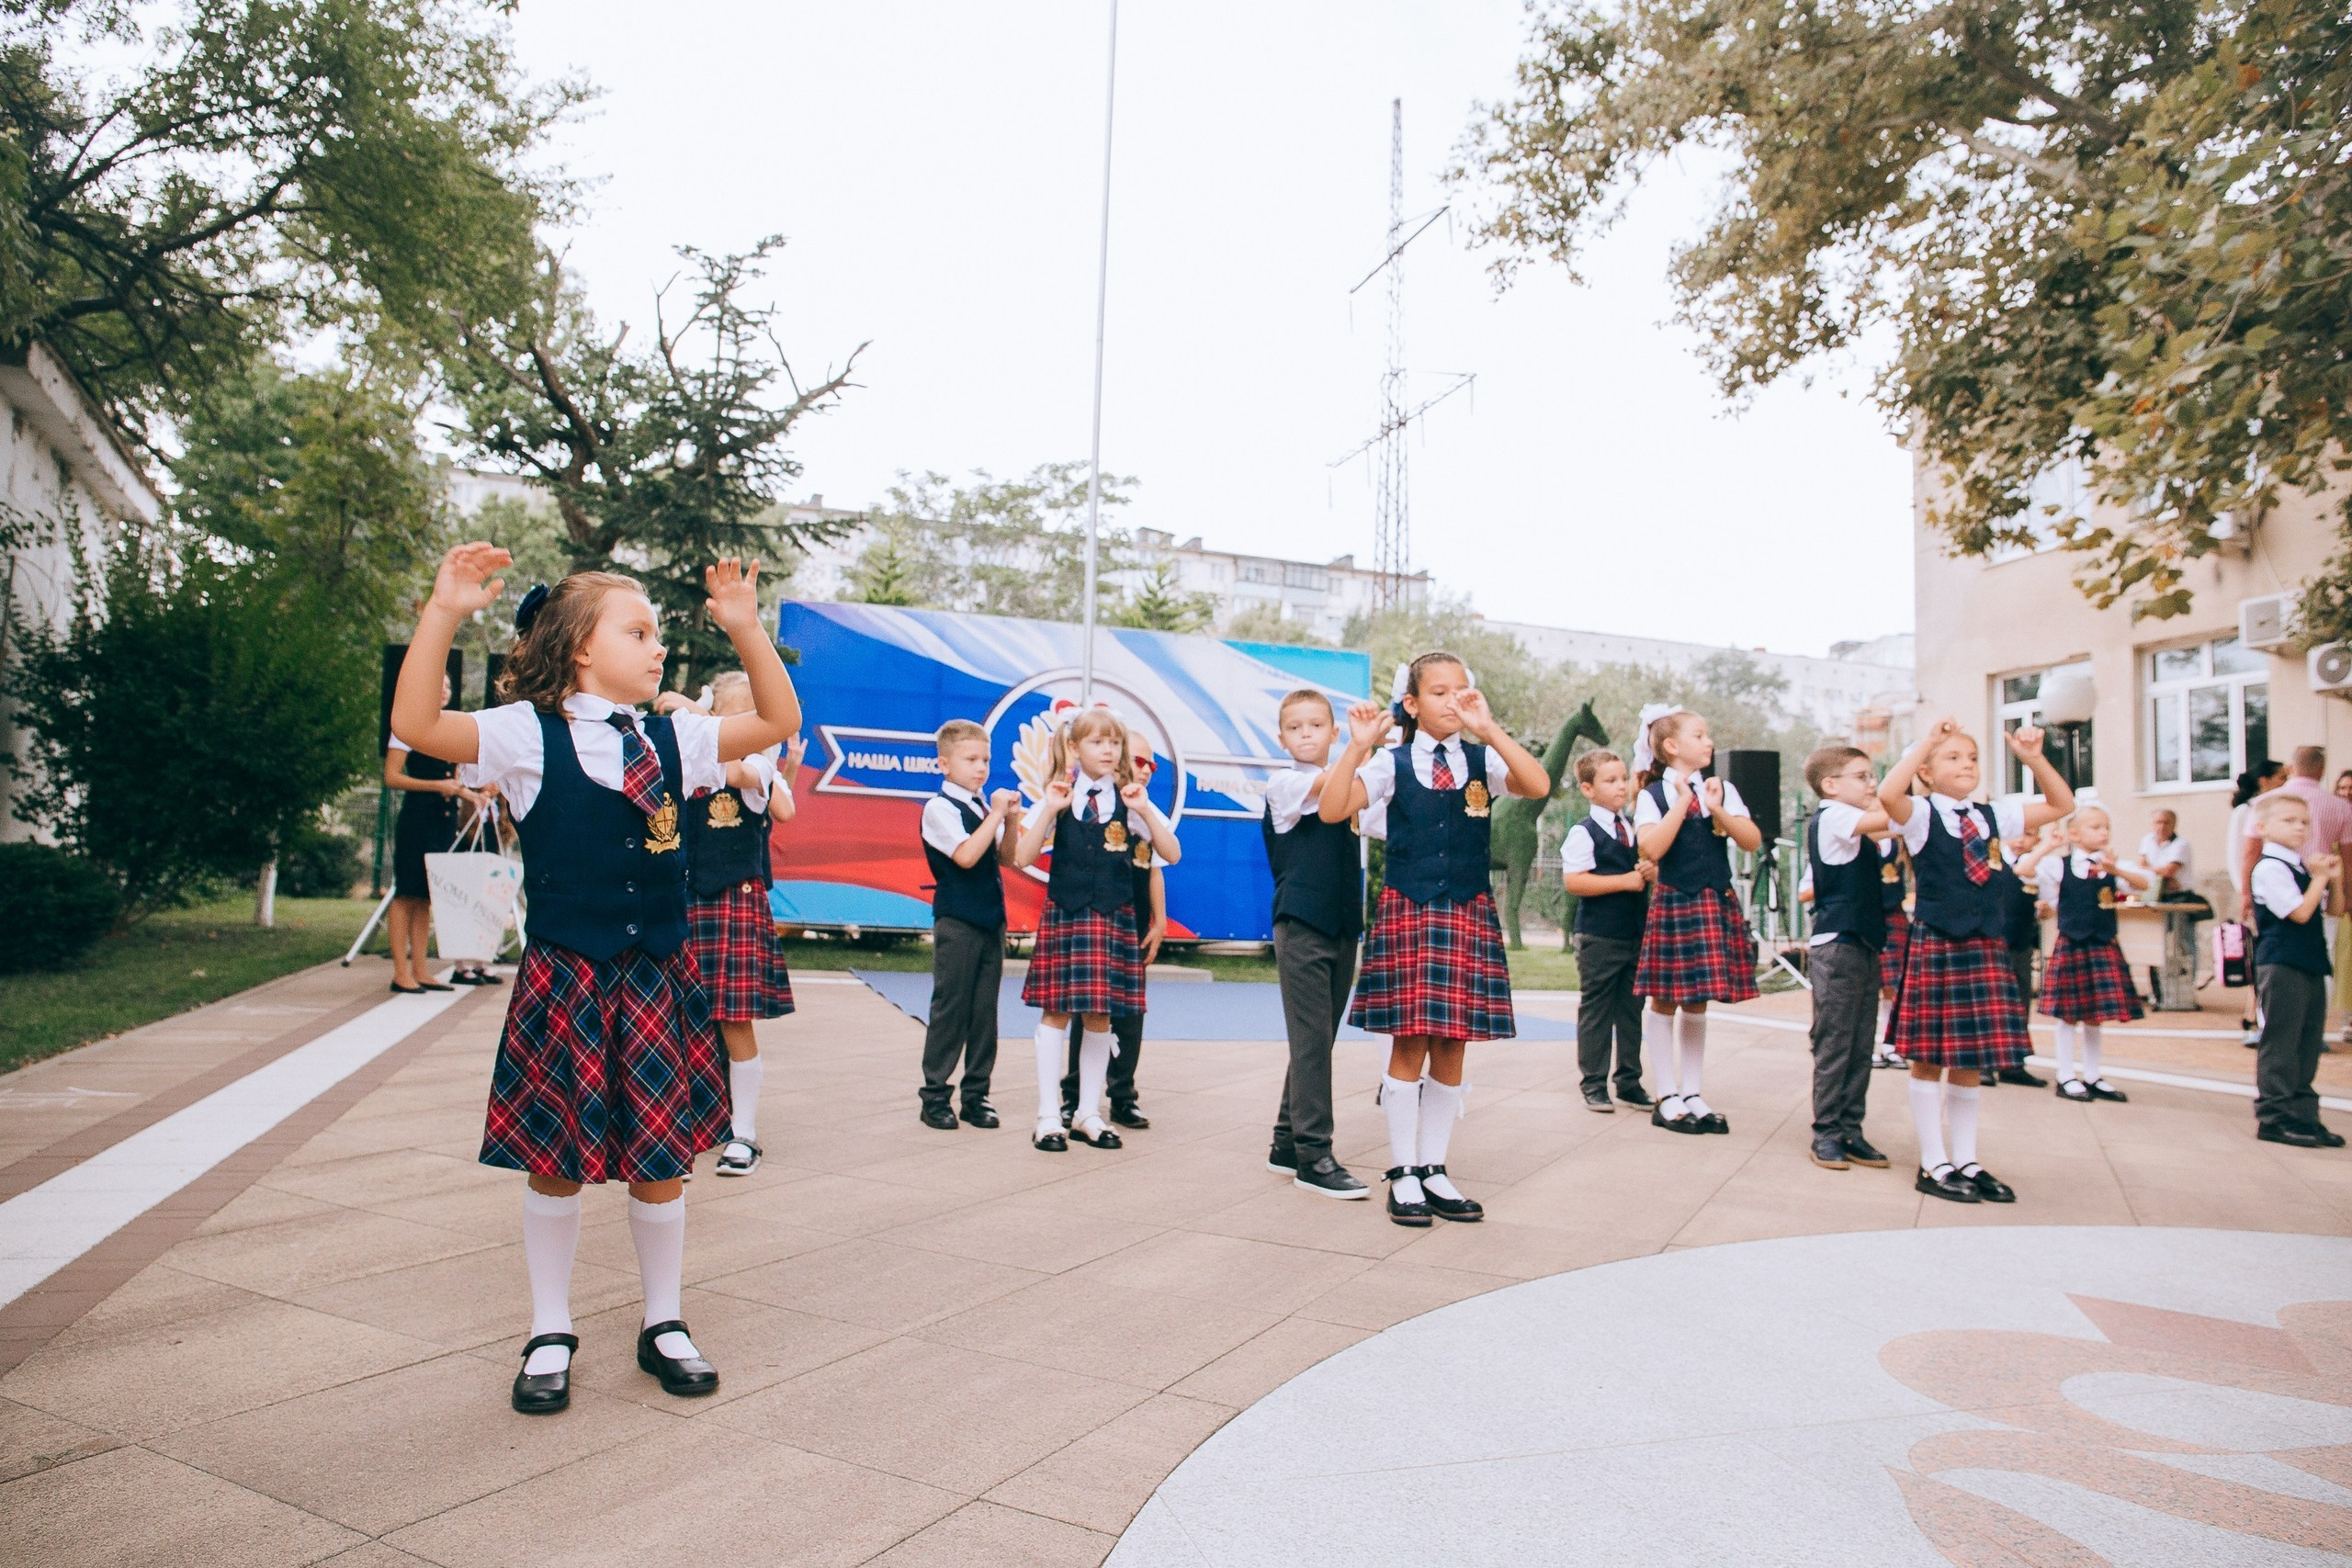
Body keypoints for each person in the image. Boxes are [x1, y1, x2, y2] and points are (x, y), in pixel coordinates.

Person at [392, 543, 798, 1416]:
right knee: (557, 1163)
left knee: (661, 1164)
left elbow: (772, 723)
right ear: (580, 645)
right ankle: (549, 1327)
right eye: (639, 631)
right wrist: (442, 612)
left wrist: (745, 628)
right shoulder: (519, 732)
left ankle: (665, 1321)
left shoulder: (676, 736)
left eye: (659, 632)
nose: (658, 647)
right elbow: (421, 727)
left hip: (655, 973)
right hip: (568, 977)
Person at [1329, 657, 1551, 1225]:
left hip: (1467, 910)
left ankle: (1435, 1168)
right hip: (1410, 908)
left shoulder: (1482, 758)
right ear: (1412, 705)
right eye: (1439, 691)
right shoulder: (1391, 762)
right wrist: (1356, 747)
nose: (1453, 700)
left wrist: (1490, 727)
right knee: (1409, 1044)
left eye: (1462, 691)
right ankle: (1403, 1172)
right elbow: (1333, 809)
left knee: (1453, 1043)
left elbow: (1538, 784)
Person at [1879, 718, 2074, 1205]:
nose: (1966, 765)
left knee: (1969, 1060)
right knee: (1928, 1060)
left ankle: (1966, 1159)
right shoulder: (1920, 815)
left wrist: (2032, 758)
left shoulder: (1993, 815)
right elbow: (1887, 793)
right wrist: (1925, 740)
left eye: (1972, 758)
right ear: (1925, 769)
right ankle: (1933, 1162)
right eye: (1952, 757)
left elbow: (2062, 805)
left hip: (1985, 946)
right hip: (1939, 941)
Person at [1013, 707, 1181, 1153]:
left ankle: (1089, 1113)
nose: (1108, 750)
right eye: (1096, 742)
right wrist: (1049, 807)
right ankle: (1049, 1116)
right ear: (1073, 748)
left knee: (1101, 1017)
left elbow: (1173, 853)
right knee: (1056, 1013)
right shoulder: (1059, 795)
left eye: (1114, 742)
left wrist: (1145, 808)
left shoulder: (1131, 800)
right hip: (1067, 915)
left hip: (1114, 918)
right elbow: (1021, 856)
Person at [656, 676, 800, 1179]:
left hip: (734, 900)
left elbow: (742, 774)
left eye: (748, 718)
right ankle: (690, 1123)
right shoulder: (691, 760)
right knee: (679, 1019)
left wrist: (693, 714)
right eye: (730, 713)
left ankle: (744, 1134)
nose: (738, 726)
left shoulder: (756, 765)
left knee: (734, 1020)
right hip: (684, 900)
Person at [1629, 705, 1765, 1134]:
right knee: (1665, 997)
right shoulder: (1652, 795)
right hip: (1675, 900)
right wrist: (1682, 803)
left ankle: (1693, 1091)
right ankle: (1666, 1094)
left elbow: (1751, 841)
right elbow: (1651, 849)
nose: (1709, 742)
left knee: (1698, 999)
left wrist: (1716, 808)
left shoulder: (1720, 789)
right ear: (1672, 746)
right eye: (1700, 735)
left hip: (1712, 898)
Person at [1261, 688, 1371, 1198]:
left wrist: (1369, 748)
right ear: (1281, 738)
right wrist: (1360, 747)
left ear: (1332, 731)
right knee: (1309, 1041)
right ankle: (1314, 1154)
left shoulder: (1349, 785)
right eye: (1295, 727)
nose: (1306, 734)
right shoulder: (1283, 784)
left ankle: (1286, 1142)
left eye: (1316, 725)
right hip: (1301, 923)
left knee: (1319, 1038)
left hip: (1343, 923)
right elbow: (1328, 782)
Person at [916, 719, 1020, 1131]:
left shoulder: (982, 808)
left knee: (984, 1013)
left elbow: (1006, 859)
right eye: (971, 759)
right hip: (958, 920)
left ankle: (978, 1095)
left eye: (986, 759)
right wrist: (995, 814)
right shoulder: (939, 808)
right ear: (944, 764)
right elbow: (965, 856)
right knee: (951, 1009)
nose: (981, 768)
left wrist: (1009, 820)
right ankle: (935, 1095)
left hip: (990, 920)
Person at [1062, 728, 1167, 1134]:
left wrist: (1158, 921)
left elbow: (1158, 866)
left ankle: (1122, 1096)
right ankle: (1074, 1098)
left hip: (1134, 924)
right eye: (1136, 760)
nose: (1143, 770)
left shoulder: (1144, 813)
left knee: (1130, 1012)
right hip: (1099, 917)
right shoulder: (1098, 806)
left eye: (1150, 765)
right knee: (1087, 1008)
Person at [1800, 746, 1894, 1171]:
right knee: (1836, 1041)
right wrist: (1907, 798)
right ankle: (1827, 1132)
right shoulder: (1834, 815)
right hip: (1837, 944)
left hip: (1862, 941)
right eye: (1862, 776)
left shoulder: (1849, 819)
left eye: (1873, 776)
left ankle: (1851, 1128)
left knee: (1860, 1043)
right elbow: (1891, 820)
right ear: (1831, 785)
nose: (1871, 783)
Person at [2027, 804, 2151, 1102]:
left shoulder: (2110, 865)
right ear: (2074, 833)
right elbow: (2028, 873)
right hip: (2072, 942)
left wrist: (2116, 870)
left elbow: (2145, 884)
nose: (2104, 832)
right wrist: (2046, 847)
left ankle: (2093, 1075)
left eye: (2106, 827)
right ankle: (2066, 1075)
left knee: (2096, 1016)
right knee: (2068, 1015)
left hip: (2103, 942)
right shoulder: (2060, 865)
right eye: (2096, 827)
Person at [2247, 790, 2347, 1149]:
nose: (2299, 828)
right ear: (2262, 827)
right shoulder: (2269, 867)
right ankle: (2274, 1117)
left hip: (2308, 960)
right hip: (2281, 962)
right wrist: (2320, 877)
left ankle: (2304, 1115)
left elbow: (2333, 910)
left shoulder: (2301, 866)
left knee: (2307, 1041)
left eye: (2304, 822)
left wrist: (2331, 879)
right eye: (2288, 821)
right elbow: (2299, 912)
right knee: (2282, 1040)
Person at [382, 671, 489, 994]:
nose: (444, 691)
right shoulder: (406, 727)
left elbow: (453, 780)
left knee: (428, 896)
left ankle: (421, 969)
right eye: (438, 685)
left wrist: (472, 794)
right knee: (406, 893)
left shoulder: (445, 730)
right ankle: (400, 971)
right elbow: (392, 777)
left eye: (448, 686)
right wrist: (436, 786)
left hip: (444, 821)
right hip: (418, 818)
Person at [1563, 749, 1656, 1114]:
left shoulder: (1635, 827)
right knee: (1597, 1010)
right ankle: (1594, 1083)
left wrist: (1649, 875)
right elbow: (1575, 882)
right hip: (1599, 936)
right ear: (1588, 789)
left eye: (1623, 779)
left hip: (1635, 934)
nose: (1621, 787)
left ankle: (1629, 1081)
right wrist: (1627, 881)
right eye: (1610, 781)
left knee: (1632, 1010)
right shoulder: (1583, 833)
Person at [2229, 761, 2288, 1045]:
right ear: (2264, 781)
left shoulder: (2273, 807)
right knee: (2257, 955)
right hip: (2256, 891)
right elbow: (2239, 853)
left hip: (2269, 889)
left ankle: (2252, 1011)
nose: (2285, 782)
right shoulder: (2247, 811)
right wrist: (2245, 891)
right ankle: (2255, 1014)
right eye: (2281, 777)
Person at [1871, 838, 1911, 1070]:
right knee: (1868, 985)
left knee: (1892, 985)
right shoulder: (1864, 839)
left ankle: (1890, 1045)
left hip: (1894, 913)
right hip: (1869, 914)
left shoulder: (1900, 843)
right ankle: (1871, 1046)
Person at [2138, 808, 2194, 900]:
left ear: (2174, 824)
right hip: (2155, 893)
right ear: (2152, 824)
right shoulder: (2147, 840)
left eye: (2166, 823)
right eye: (2158, 823)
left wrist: (2161, 874)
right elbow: (2141, 866)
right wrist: (2165, 878)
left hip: (2179, 895)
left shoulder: (2181, 844)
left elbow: (2168, 871)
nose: (2162, 827)